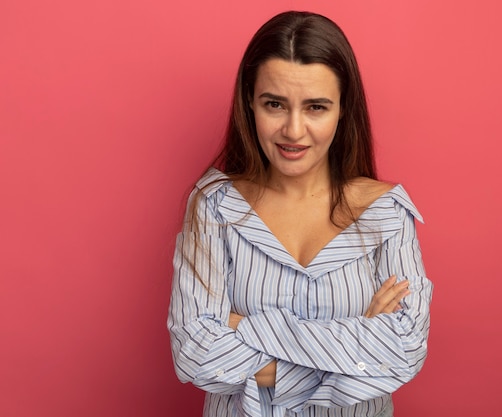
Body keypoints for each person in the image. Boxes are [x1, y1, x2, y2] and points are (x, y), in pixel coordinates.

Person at [168, 10, 433, 417]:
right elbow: (195, 351)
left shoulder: (387, 214)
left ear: (343, 109)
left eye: (316, 107)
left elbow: (403, 351)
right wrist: (356, 340)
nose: (293, 131)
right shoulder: (215, 207)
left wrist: (243, 328)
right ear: (250, 104)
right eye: (275, 104)